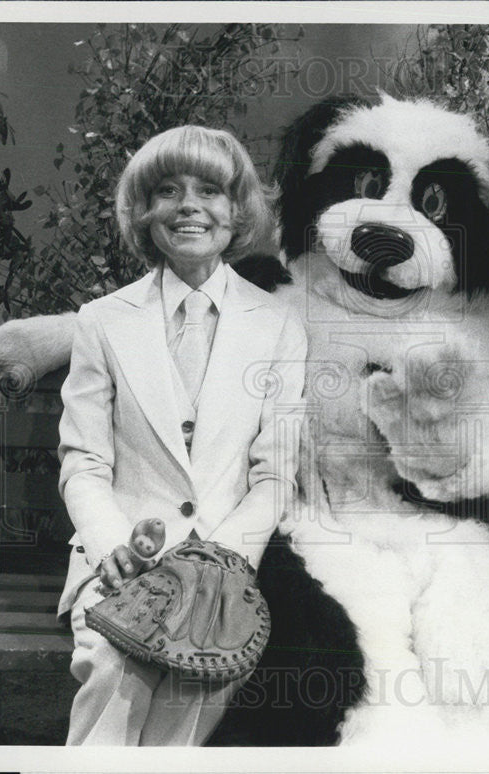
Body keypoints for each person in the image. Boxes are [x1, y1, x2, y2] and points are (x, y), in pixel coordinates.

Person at [56, 125, 307, 745]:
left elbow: (275, 473)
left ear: (237, 211)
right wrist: (115, 546)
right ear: (145, 213)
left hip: (225, 563)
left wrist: (220, 565)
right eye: (168, 190)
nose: (189, 205)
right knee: (120, 658)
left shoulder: (277, 326)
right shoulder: (103, 322)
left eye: (210, 191)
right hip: (120, 563)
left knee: (204, 669)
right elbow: (83, 462)